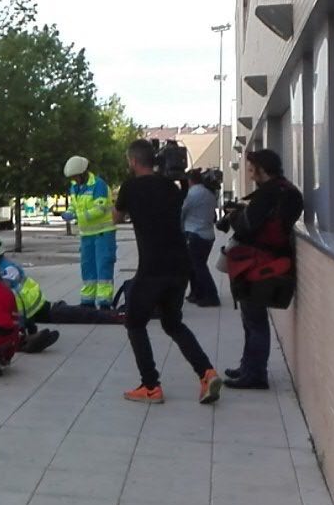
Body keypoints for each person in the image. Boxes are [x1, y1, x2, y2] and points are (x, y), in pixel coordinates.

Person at [113, 139, 222, 405]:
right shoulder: (172, 187)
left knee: (135, 322)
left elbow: (116, 218)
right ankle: (206, 373)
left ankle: (150, 386)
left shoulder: (130, 187)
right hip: (180, 265)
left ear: (133, 161)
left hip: (152, 267)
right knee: (173, 323)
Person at [221, 149, 303, 390]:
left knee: (254, 319)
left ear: (261, 169)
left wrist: (235, 216)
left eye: (252, 168)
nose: (250, 173)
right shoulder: (289, 191)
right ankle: (249, 366)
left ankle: (255, 373)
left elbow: (247, 226)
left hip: (257, 262)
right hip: (275, 260)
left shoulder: (268, 194)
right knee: (253, 318)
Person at [62, 156, 117, 309]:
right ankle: (88, 300)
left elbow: (99, 210)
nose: (73, 180)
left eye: (75, 177)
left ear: (82, 173)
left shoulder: (99, 185)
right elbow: (75, 205)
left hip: (104, 233)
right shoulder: (75, 187)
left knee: (103, 267)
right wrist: (68, 212)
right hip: (87, 235)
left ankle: (105, 302)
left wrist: (76, 216)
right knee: (88, 268)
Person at [182, 169, 220, 307]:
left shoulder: (193, 194)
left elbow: (183, 212)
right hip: (208, 234)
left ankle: (211, 295)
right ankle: (197, 293)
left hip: (195, 233)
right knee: (195, 265)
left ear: (190, 181)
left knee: (198, 267)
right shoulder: (209, 193)